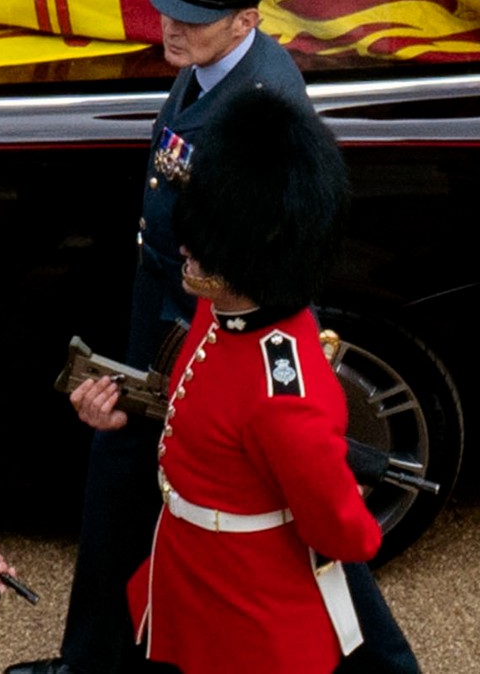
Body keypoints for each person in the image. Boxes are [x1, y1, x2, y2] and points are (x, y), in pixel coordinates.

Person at [18, 0, 306, 674]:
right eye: (167, 10)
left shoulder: (260, 107)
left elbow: (260, 256)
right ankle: (98, 657)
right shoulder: (209, 66)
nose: (170, 29)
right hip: (163, 300)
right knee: (120, 473)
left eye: (193, 17)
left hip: (201, 322)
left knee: (148, 476)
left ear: (244, 21)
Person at [78, 88, 385, 674]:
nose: (187, 248)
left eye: (208, 243)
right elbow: (204, 413)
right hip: (188, 570)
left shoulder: (283, 388)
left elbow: (345, 535)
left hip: (248, 611)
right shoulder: (216, 309)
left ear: (259, 245)